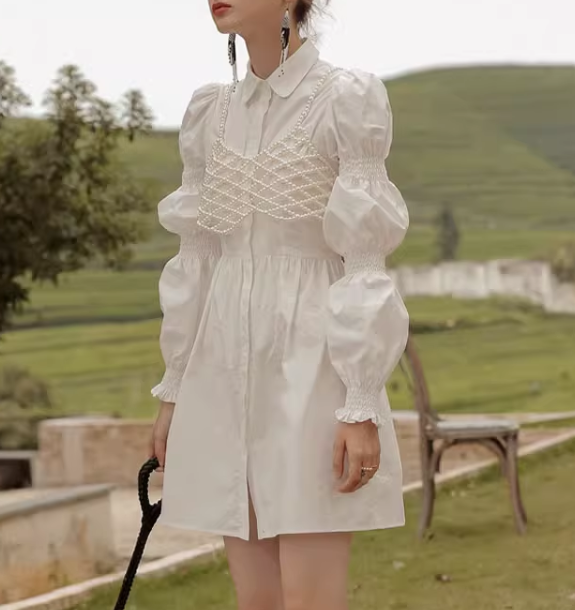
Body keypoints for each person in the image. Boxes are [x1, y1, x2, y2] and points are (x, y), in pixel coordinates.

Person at [149, 0, 410, 608]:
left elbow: (364, 260)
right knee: (257, 601)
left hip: (311, 370)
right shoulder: (209, 113)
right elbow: (197, 263)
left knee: (313, 599)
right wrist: (174, 391)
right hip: (221, 373)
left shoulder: (345, 100)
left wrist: (360, 403)